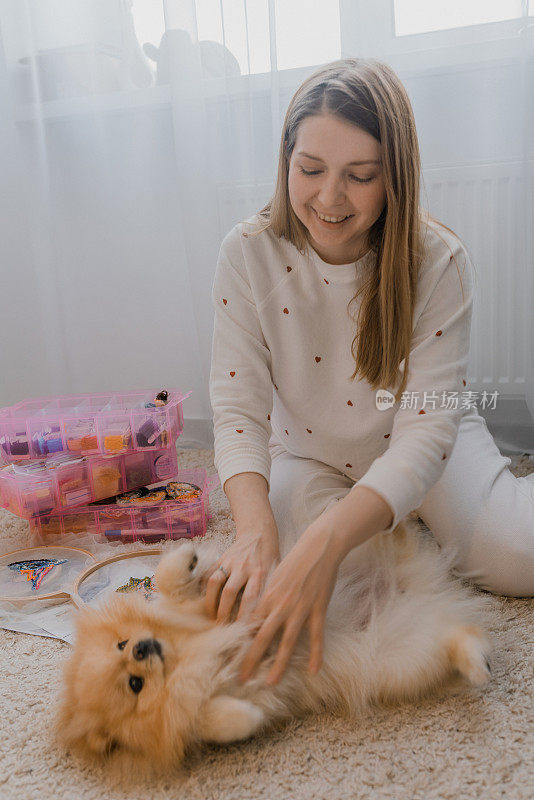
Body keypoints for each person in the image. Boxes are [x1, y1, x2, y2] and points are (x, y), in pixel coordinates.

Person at [206, 57, 534, 688]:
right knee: (301, 585)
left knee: (515, 557)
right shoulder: (245, 253)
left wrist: (331, 537)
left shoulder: (437, 261)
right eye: (310, 170)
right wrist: (252, 531)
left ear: (395, 180)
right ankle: (384, 526)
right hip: (308, 452)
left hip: (422, 443)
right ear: (286, 162)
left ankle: (413, 519)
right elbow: (238, 408)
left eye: (359, 177)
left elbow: (424, 436)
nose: (329, 198)